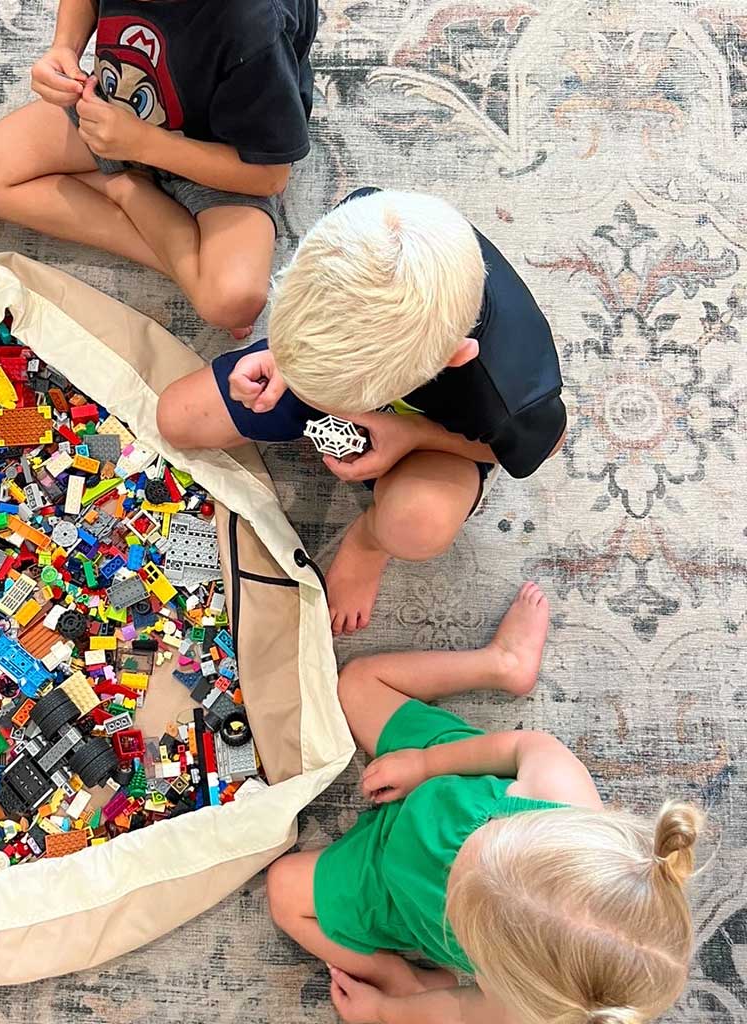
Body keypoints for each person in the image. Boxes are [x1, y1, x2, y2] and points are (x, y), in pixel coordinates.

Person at [266, 583, 702, 1024]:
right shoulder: (563, 790)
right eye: (486, 840)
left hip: (398, 891)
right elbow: (518, 747)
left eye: (463, 895)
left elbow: (464, 1011)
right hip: (447, 778)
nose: (460, 862)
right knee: (358, 682)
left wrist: (385, 1009)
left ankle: (400, 976)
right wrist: (424, 764)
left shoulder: (522, 1001)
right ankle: (501, 663)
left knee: (283, 890)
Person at [156, 189, 568, 634]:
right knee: (177, 417)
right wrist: (286, 359)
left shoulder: (514, 395)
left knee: (419, 524)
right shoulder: (366, 221)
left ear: (453, 358)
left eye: (338, 397)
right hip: (335, 359)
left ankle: (369, 540)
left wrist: (414, 435)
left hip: (438, 440)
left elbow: (536, 450)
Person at [0, 0, 318, 338]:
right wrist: (64, 47)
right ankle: (177, 250)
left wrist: (143, 148)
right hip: (119, 109)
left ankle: (125, 189)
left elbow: (270, 176)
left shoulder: (255, 27)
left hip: (218, 154)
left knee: (232, 302)